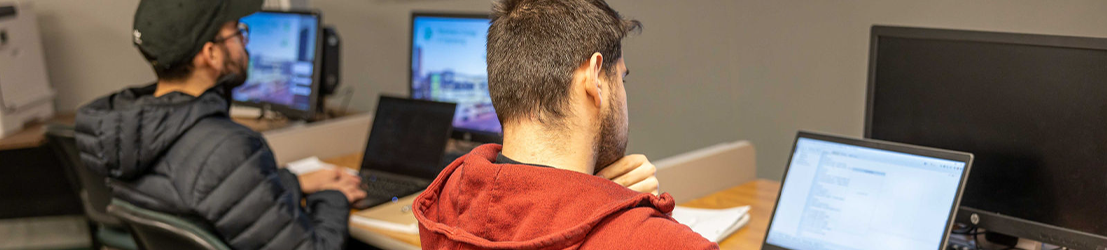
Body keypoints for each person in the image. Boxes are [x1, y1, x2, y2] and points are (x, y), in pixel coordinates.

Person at [413, 0, 718, 249]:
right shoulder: (662, 243)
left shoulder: (448, 203)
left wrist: (600, 199)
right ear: (595, 78)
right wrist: (638, 216)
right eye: (621, 77)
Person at [74, 0, 365, 249]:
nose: (244, 42)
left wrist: (291, 182)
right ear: (211, 54)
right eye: (237, 31)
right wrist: (333, 198)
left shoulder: (125, 130)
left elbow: (202, 195)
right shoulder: (228, 149)